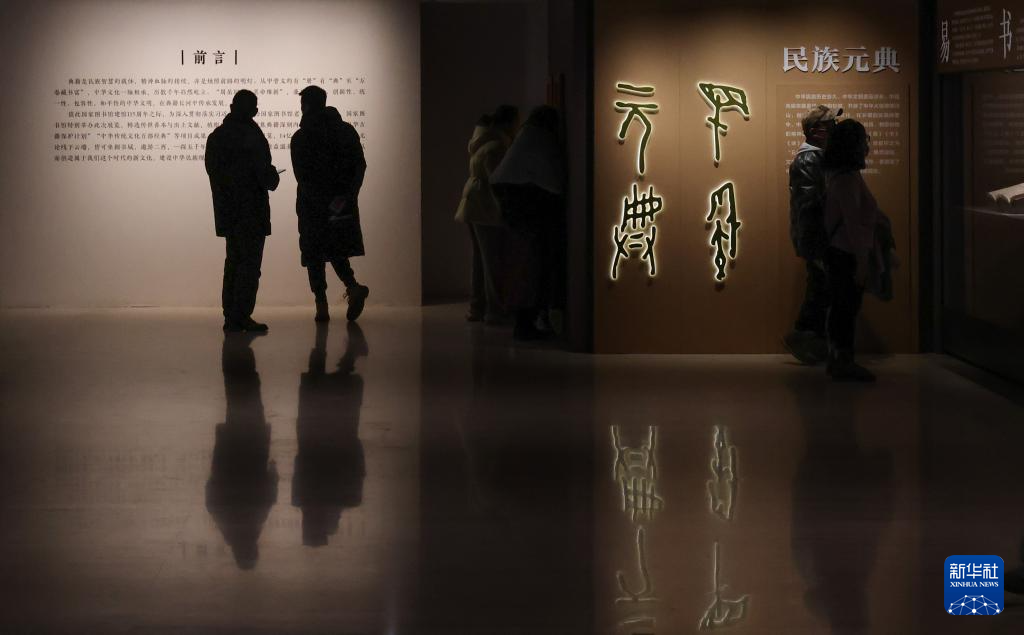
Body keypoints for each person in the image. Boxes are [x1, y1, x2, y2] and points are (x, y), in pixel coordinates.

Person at [290, 85, 369, 322]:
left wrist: (318, 200)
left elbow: (302, 176)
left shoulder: (302, 137)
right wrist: (348, 195)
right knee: (336, 248)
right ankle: (352, 286)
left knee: (314, 252)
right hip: (339, 202)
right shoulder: (345, 131)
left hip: (312, 204)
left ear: (306, 105)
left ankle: (321, 304)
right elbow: (359, 165)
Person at [205, 90, 280, 332]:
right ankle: (240, 315)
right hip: (251, 211)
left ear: (232, 106)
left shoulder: (217, 137)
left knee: (234, 262)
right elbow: (263, 173)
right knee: (249, 265)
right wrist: (271, 178)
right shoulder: (251, 136)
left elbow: (214, 173)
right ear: (253, 111)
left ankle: (231, 316)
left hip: (229, 211)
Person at [491, 105, 566, 341]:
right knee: (534, 266)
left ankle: (526, 319)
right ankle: (530, 320)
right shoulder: (542, 140)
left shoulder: (525, 138)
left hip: (512, 205)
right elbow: (555, 183)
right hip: (529, 206)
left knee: (523, 266)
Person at [822, 119, 888, 382]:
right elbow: (854, 224)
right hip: (846, 254)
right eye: (863, 140)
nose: (866, 145)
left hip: (842, 252)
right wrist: (862, 262)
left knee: (843, 307)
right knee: (845, 308)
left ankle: (839, 359)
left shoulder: (841, 176)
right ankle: (842, 360)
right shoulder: (847, 180)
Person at [784, 105, 841, 365]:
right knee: (820, 288)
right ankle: (803, 336)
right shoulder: (809, 159)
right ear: (816, 131)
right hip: (817, 236)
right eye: (830, 126)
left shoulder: (818, 158)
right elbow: (809, 205)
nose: (834, 130)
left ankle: (811, 341)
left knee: (822, 288)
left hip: (818, 235)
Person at [455, 105, 519, 323]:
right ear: (508, 123)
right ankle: (495, 311)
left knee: (480, 260)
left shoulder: (481, 142)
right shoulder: (498, 146)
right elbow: (498, 181)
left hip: (473, 204)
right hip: (486, 206)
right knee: (493, 261)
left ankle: (478, 307)